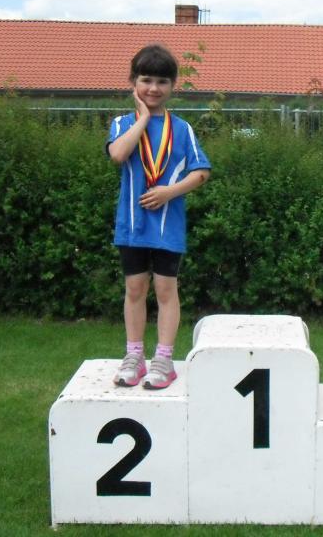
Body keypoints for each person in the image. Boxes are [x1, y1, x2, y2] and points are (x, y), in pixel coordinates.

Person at [106, 44, 211, 389]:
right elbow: (118, 154)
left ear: (173, 85)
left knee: (166, 288)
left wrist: (170, 191)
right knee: (135, 288)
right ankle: (134, 356)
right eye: (146, 80)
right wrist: (143, 119)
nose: (153, 88)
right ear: (133, 82)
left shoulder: (182, 129)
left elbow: (201, 172)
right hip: (132, 224)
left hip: (168, 225)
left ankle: (164, 359)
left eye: (162, 81)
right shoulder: (122, 123)